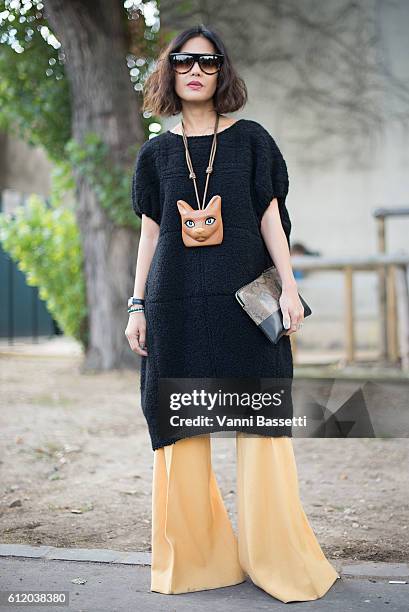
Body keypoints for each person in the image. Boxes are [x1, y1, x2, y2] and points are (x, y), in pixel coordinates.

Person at [125, 24, 340, 603]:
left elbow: (272, 219)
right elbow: (150, 235)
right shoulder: (156, 152)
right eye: (184, 61)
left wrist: (290, 290)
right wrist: (137, 303)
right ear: (169, 71)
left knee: (264, 424)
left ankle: (278, 562)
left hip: (250, 302)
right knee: (177, 431)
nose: (195, 70)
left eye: (209, 62)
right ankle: (196, 562)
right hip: (174, 306)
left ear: (223, 73)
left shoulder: (250, 140)